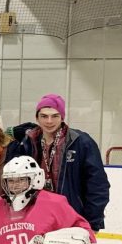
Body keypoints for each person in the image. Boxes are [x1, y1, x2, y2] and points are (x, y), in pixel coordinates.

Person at [9, 93, 110, 232]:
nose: (49, 121)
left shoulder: (81, 142)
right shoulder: (28, 143)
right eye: (44, 116)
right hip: (37, 219)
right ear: (37, 118)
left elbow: (98, 185)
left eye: (55, 116)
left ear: (62, 117)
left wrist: (92, 222)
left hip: (73, 218)